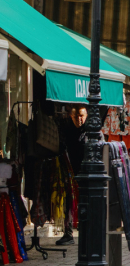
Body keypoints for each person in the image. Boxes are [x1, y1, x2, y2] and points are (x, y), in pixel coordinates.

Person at [57, 105, 89, 245]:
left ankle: (84, 229)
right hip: (70, 172)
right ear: (71, 116)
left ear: (86, 115)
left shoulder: (90, 130)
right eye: (76, 116)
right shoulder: (67, 130)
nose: (79, 119)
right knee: (68, 203)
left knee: (84, 202)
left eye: (81, 116)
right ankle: (68, 233)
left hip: (86, 174)